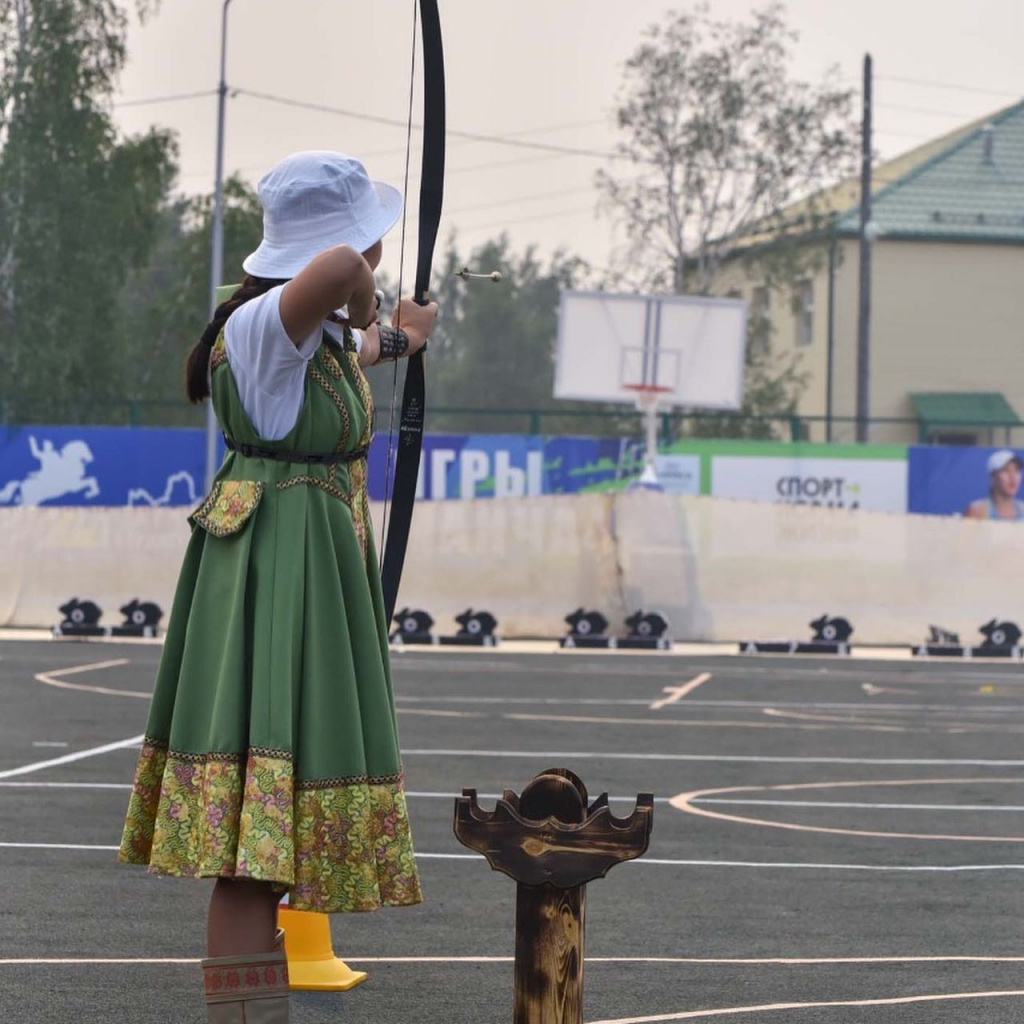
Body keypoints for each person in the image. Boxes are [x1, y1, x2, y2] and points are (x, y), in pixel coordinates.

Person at [118, 151, 438, 1023]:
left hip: (307, 567)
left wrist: (398, 335)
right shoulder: (270, 324)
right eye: (368, 235)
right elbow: (337, 272)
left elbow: (359, 340)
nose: (372, 249)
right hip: (279, 575)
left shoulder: (307, 335)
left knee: (272, 841)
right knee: (250, 851)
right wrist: (367, 289)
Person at [965, 449, 1024, 520]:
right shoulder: (977, 511)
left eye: (1016, 470)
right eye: (1005, 470)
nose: (1013, 477)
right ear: (993, 476)